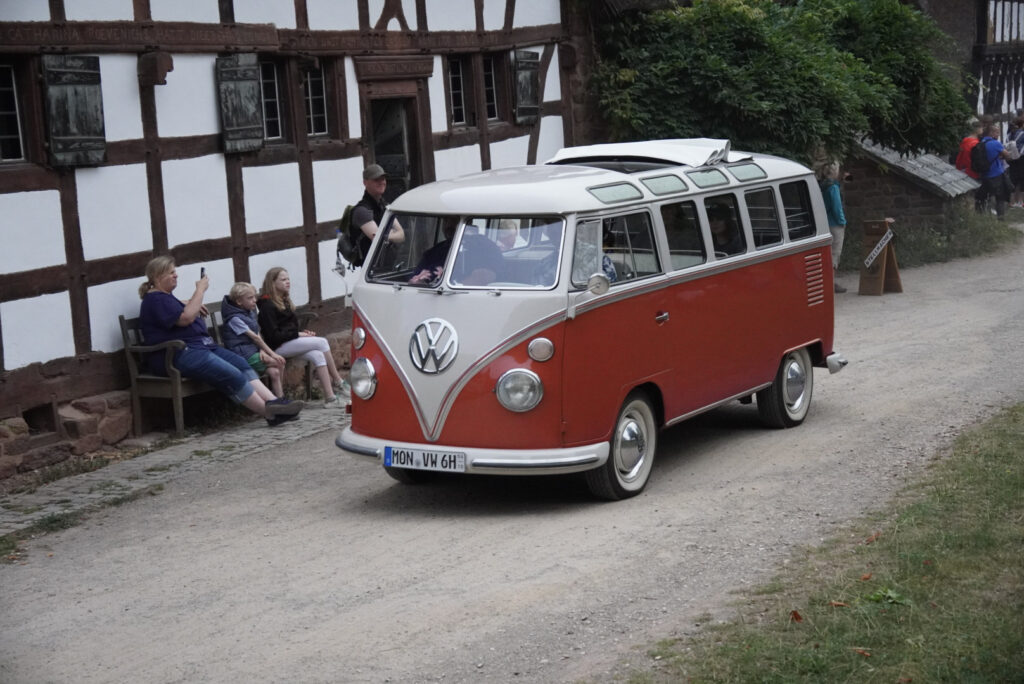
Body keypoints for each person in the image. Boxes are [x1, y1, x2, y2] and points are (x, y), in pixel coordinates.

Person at [137, 257, 302, 427]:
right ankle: (270, 413)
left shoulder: (165, 297)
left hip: (202, 347)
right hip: (179, 354)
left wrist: (187, 302)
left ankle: (275, 402)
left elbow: (178, 309)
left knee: (241, 364)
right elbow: (185, 318)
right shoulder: (155, 299)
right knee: (231, 373)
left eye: (175, 272)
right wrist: (199, 291)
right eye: (171, 272)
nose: (176, 275)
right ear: (158, 276)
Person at [257, 267, 348, 407]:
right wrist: (298, 334)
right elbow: (274, 336)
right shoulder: (267, 306)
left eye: (288, 279)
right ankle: (338, 381)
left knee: (318, 354)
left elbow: (289, 328)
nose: (288, 282)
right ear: (272, 283)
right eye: (283, 279)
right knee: (322, 342)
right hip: (277, 348)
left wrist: (303, 334)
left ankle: (330, 398)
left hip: (289, 343)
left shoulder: (284, 300)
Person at [220, 282, 287, 398]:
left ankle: (278, 399)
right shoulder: (234, 319)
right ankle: (279, 400)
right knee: (279, 362)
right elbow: (255, 337)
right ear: (239, 301)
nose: (254, 300)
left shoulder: (248, 312)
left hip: (252, 350)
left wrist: (262, 350)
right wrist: (272, 354)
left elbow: (257, 332)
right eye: (250, 298)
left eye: (254, 297)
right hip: (242, 355)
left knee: (274, 372)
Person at [352, 163, 405, 259]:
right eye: (376, 179)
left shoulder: (384, 205)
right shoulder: (362, 211)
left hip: (390, 264)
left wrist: (385, 236)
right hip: (371, 267)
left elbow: (402, 235)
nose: (381, 182)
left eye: (383, 179)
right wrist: (391, 233)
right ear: (365, 183)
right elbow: (378, 240)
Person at [817, 161, 848, 293]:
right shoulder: (833, 187)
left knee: (826, 253)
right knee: (834, 253)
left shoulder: (822, 186)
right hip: (835, 224)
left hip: (824, 223)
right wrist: (842, 221)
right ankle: (831, 282)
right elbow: (837, 207)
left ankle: (825, 281)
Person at [975, 123, 1013, 219]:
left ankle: (984, 217)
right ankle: (1000, 217)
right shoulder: (995, 143)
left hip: (984, 174)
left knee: (985, 197)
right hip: (996, 174)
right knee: (1000, 197)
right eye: (997, 132)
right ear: (991, 133)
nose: (998, 135)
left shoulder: (981, 142)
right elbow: (1008, 156)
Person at [1007, 116, 1024, 208]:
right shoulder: (1022, 134)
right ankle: (1021, 201)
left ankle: (1012, 202)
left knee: (1013, 179)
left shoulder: (1009, 134)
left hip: (1011, 158)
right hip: (1021, 158)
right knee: (1022, 179)